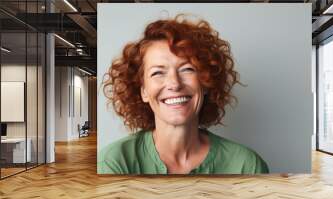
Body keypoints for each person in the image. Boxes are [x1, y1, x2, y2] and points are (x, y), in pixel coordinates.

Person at [98, 15, 269, 174]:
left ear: (206, 82)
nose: (174, 83)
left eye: (187, 69)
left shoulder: (246, 165)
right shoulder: (114, 162)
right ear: (143, 91)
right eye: (158, 72)